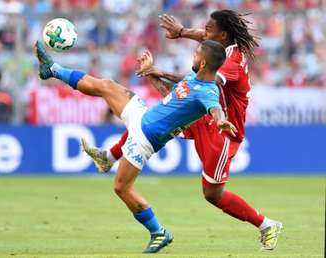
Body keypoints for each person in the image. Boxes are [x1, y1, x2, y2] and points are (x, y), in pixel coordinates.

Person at [88, 10, 283, 251]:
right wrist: (181, 33)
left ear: (222, 36)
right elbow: (202, 47)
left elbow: (201, 82)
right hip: (206, 115)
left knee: (212, 194)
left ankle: (266, 225)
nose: (202, 35)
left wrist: (159, 71)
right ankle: (110, 156)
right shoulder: (221, 45)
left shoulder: (230, 61)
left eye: (208, 31)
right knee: (152, 119)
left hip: (222, 129)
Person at [35, 40, 236, 253]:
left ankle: (159, 232)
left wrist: (220, 119)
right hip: (142, 115)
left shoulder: (208, 91)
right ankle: (53, 70)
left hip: (145, 139)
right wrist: (150, 71)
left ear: (203, 63)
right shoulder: (192, 78)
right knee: (106, 86)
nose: (192, 57)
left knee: (121, 187)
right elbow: (171, 96)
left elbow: (215, 109)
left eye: (195, 54)